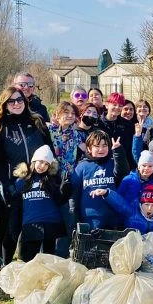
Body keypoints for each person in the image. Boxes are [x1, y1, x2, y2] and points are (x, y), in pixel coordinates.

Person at [0, 86, 53, 266]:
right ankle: (6, 265)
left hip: (38, 182)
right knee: (12, 228)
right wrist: (6, 185)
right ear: (5, 104)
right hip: (14, 184)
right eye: (12, 101)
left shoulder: (37, 122)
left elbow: (48, 150)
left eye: (19, 100)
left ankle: (35, 264)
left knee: (37, 225)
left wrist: (50, 177)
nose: (16, 103)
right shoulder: (0, 127)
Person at [12, 145, 71, 262]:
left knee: (48, 261)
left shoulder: (53, 179)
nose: (42, 166)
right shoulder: (21, 181)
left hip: (51, 224)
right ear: (34, 160)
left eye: (46, 164)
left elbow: (60, 201)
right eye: (40, 162)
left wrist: (65, 190)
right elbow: (17, 207)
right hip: (31, 224)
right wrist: (14, 226)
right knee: (27, 259)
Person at [48, 102, 86, 258]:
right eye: (66, 112)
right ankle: (47, 253)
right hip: (50, 180)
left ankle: (62, 254)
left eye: (72, 113)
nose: (70, 115)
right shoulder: (49, 131)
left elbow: (88, 151)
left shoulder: (78, 135)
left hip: (69, 181)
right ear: (57, 115)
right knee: (49, 217)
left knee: (69, 215)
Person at [72, 130, 129, 229]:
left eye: (104, 145)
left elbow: (123, 172)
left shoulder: (113, 163)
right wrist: (74, 215)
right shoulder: (82, 166)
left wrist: (118, 151)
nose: (101, 149)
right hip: (90, 216)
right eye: (97, 146)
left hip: (112, 214)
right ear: (89, 148)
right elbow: (74, 192)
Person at [100, 92, 136, 169]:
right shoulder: (98, 123)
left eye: (120, 105)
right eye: (114, 104)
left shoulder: (128, 125)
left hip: (124, 165)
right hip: (103, 165)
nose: (117, 107)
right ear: (107, 105)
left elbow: (132, 148)